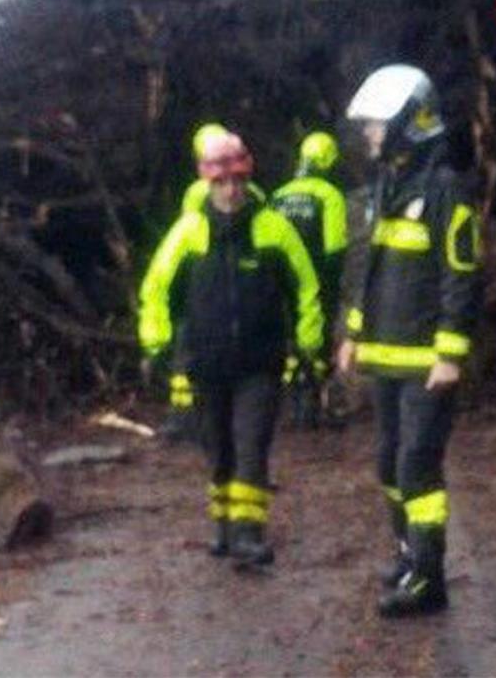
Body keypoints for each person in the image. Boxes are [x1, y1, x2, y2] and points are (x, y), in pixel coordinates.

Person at [139, 132, 324, 566]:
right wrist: (158, 342)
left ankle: (248, 533)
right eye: (222, 182)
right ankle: (223, 526)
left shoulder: (272, 227)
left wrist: (309, 344)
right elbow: (156, 288)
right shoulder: (189, 231)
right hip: (206, 360)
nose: (231, 190)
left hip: (260, 361)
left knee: (250, 445)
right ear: (207, 182)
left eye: (238, 181)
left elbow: (306, 285)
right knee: (218, 446)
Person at [336, 64, 481, 617]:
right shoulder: (386, 187)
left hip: (427, 363)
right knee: (388, 465)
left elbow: (460, 275)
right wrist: (352, 334)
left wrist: (450, 353)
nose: (371, 134)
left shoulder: (446, 192)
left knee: (418, 466)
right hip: (386, 357)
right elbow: (364, 269)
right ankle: (406, 552)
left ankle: (428, 577)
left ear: (407, 122)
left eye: (377, 124)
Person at [158, 123, 266, 443]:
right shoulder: (256, 192)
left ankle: (184, 418)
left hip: (204, 283)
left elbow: (190, 238)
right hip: (245, 285)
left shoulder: (197, 191)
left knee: (188, 353)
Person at [272, 131, 348, 429]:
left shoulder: (279, 195)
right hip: (316, 283)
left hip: (280, 283)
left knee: (288, 341)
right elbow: (334, 249)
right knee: (317, 343)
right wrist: (332, 286)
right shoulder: (329, 195)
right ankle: (313, 406)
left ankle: (291, 405)